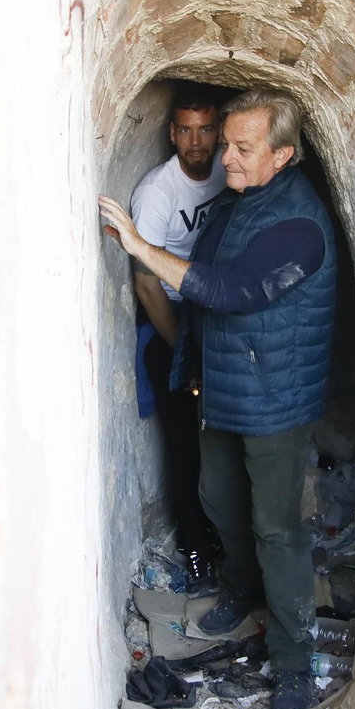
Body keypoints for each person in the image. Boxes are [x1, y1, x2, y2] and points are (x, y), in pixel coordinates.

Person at [100, 88, 336, 709]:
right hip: (226, 387)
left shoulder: (299, 224)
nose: (224, 158)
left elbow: (232, 290)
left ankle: (293, 665)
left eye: (241, 147)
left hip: (276, 399)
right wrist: (195, 367)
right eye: (224, 143)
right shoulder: (242, 203)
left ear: (282, 155)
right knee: (219, 500)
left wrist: (142, 249)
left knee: (277, 529)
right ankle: (241, 588)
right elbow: (210, 301)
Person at [128, 91, 228, 588]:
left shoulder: (226, 171)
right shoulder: (157, 194)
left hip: (214, 308)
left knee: (224, 437)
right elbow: (147, 283)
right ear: (172, 133)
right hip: (168, 316)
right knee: (186, 442)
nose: (196, 142)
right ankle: (194, 546)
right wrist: (185, 356)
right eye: (185, 130)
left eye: (205, 129)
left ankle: (224, 537)